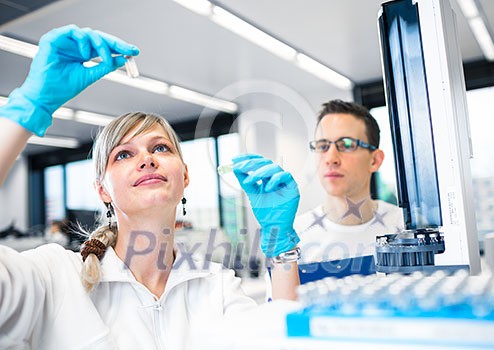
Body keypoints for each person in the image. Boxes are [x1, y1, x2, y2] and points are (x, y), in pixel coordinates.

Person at [0, 25, 301, 349]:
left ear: (184, 176)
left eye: (160, 148)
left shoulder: (217, 286)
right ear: (103, 190)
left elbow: (283, 342)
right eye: (124, 154)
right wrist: (28, 107)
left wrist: (281, 250)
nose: (146, 159)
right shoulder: (55, 277)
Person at [295, 100, 404, 266]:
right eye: (323, 146)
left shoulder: (403, 228)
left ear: (375, 160)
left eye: (346, 145)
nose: (331, 159)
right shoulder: (295, 236)